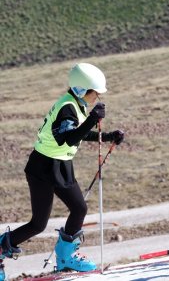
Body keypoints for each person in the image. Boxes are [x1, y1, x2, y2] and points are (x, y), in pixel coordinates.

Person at [0, 63, 125, 278]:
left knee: (72, 211)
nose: (96, 97)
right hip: (46, 167)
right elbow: (66, 138)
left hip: (53, 165)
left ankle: (65, 256)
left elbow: (77, 133)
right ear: (81, 90)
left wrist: (107, 135)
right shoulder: (68, 107)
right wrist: (93, 120)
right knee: (46, 221)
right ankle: (60, 256)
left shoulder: (75, 105)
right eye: (95, 93)